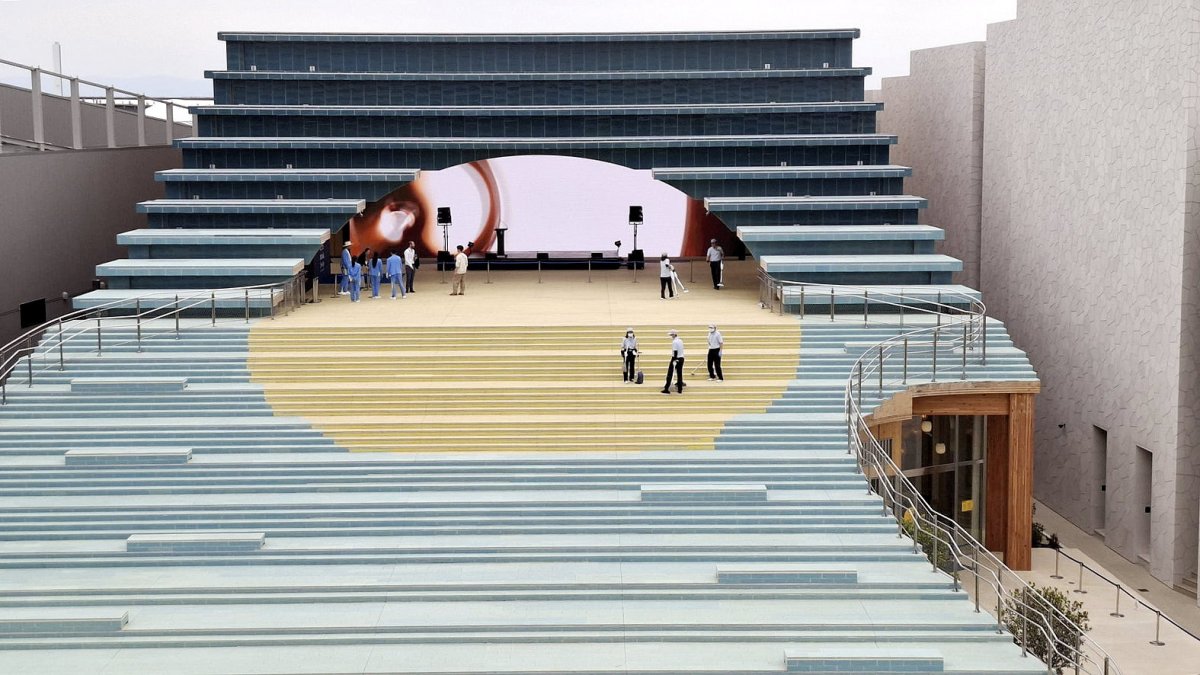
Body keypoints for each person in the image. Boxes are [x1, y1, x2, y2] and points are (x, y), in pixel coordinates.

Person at [661, 329, 684, 394]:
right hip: (681, 358)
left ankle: (666, 388)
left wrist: (674, 360)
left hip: (676, 358)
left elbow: (675, 352)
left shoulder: (674, 342)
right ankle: (680, 389)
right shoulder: (680, 340)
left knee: (670, 374)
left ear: (674, 335)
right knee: (679, 374)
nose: (671, 336)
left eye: (671, 335)